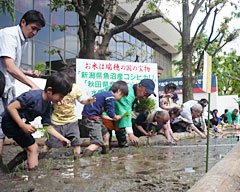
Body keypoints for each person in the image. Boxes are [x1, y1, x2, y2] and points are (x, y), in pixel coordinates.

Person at [1, 71, 72, 171]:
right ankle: (33, 175)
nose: (61, 100)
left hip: (20, 123)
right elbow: (11, 107)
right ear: (49, 90)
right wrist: (23, 126)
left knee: (29, 149)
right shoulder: (33, 97)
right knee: (33, 148)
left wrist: (61, 138)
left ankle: (7, 169)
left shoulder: (48, 105)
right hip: (10, 122)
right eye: (60, 96)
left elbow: (47, 126)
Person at [0, 10, 45, 163]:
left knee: (7, 121)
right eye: (33, 28)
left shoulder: (23, 39)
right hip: (1, 85)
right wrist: (33, 85)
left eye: (38, 30)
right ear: (23, 22)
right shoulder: (9, 35)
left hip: (6, 86)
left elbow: (14, 66)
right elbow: (9, 67)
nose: (35, 32)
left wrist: (27, 72)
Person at [40, 67, 96, 160]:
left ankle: (76, 164)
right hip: (57, 121)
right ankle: (39, 159)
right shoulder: (57, 89)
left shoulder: (76, 88)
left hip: (72, 121)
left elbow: (82, 100)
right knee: (49, 144)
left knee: (77, 144)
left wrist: (88, 100)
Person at [82, 80, 128, 157]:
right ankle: (83, 158)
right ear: (119, 91)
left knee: (106, 134)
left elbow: (101, 114)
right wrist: (115, 116)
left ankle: (105, 153)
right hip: (92, 120)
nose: (120, 99)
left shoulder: (105, 95)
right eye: (121, 96)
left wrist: (112, 118)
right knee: (97, 142)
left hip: (93, 117)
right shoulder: (110, 97)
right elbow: (110, 111)